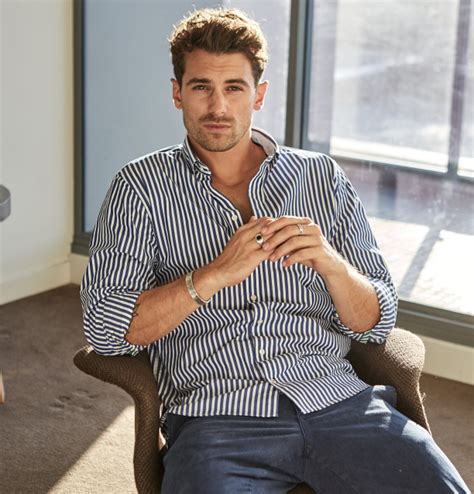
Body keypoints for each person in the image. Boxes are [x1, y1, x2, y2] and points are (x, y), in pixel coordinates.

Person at [80, 8, 468, 493]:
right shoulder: (139, 188)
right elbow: (105, 329)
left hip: (337, 402)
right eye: (201, 87)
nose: (218, 106)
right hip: (215, 416)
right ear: (177, 93)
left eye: (234, 88)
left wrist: (332, 265)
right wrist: (212, 276)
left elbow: (377, 321)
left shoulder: (320, 178)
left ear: (258, 95)